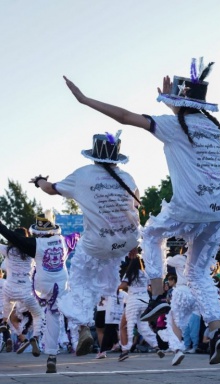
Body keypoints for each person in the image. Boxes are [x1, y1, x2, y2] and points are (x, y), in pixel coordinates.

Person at [63, 58, 220, 365]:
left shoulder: (172, 125)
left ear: (177, 103)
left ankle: (156, 297)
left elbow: (127, 116)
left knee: (152, 234)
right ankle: (217, 331)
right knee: (197, 273)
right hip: (218, 210)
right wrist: (173, 102)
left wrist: (85, 100)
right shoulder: (211, 125)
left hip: (189, 206)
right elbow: (186, 119)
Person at [30, 132, 141, 357]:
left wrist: (39, 181)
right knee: (104, 282)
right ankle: (103, 312)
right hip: (125, 240)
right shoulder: (128, 177)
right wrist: (132, 245)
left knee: (79, 284)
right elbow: (135, 207)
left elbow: (51, 189)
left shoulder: (83, 175)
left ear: (94, 154)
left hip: (97, 243)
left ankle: (83, 329)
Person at [0, 211, 79, 373]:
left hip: (35, 287)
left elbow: (11, 237)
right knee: (48, 316)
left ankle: (8, 328)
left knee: (33, 312)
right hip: (58, 285)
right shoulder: (64, 241)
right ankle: (46, 346)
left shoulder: (34, 245)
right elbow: (76, 236)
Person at [0, 227, 44, 356]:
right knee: (38, 314)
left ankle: (3, 322)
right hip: (26, 291)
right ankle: (35, 337)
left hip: (9, 289)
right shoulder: (32, 254)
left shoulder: (6, 250)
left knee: (8, 302)